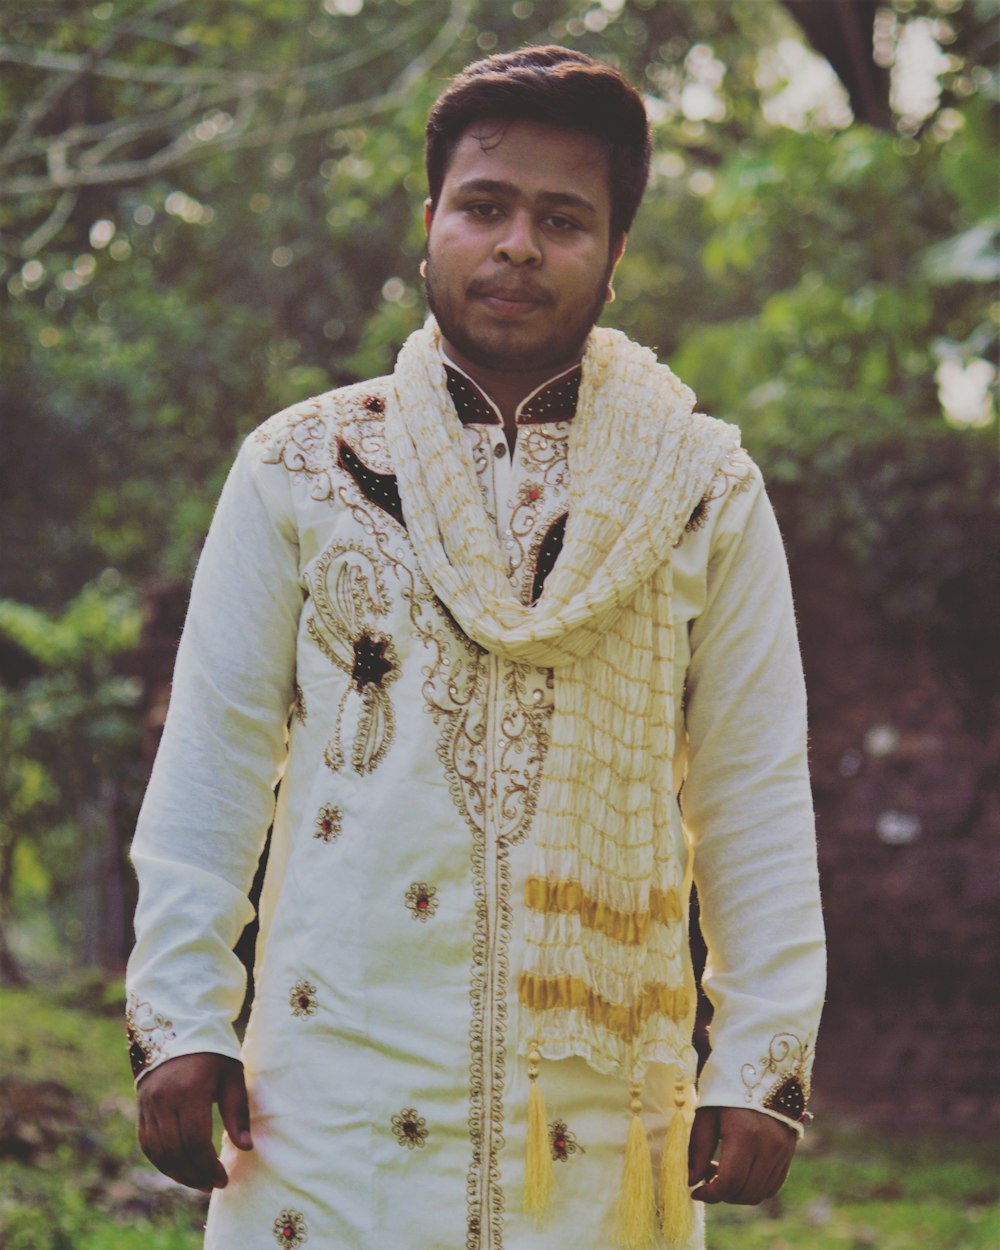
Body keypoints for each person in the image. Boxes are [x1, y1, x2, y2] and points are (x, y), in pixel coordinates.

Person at [126, 46, 825, 1250]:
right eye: (484, 207)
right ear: (430, 226)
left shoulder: (703, 486)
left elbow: (750, 784)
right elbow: (214, 754)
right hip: (328, 1090)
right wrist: (183, 1014)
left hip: (596, 1108)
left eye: (563, 219)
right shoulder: (302, 465)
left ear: (613, 259)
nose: (515, 245)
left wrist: (760, 1057)